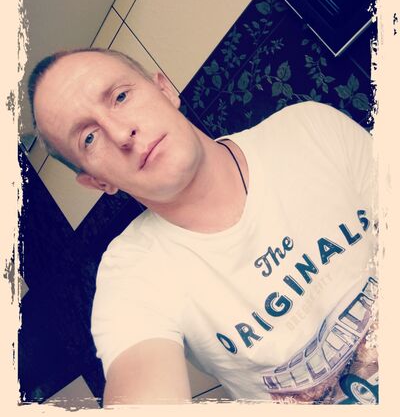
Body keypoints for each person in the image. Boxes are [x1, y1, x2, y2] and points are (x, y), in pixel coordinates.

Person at [28, 47, 379, 405]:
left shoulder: (310, 129)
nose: (121, 133)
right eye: (89, 138)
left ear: (165, 90)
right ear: (98, 182)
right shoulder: (130, 273)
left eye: (120, 97)